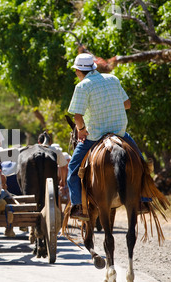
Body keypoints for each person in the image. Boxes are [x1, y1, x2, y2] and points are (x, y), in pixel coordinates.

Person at [67, 53, 144, 221]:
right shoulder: (113, 79)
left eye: (76, 71)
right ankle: (144, 200)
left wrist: (81, 130)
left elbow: (78, 117)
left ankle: (78, 206)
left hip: (95, 135)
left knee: (72, 170)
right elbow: (127, 104)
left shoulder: (82, 86)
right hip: (119, 133)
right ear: (93, 68)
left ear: (79, 70)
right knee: (141, 161)